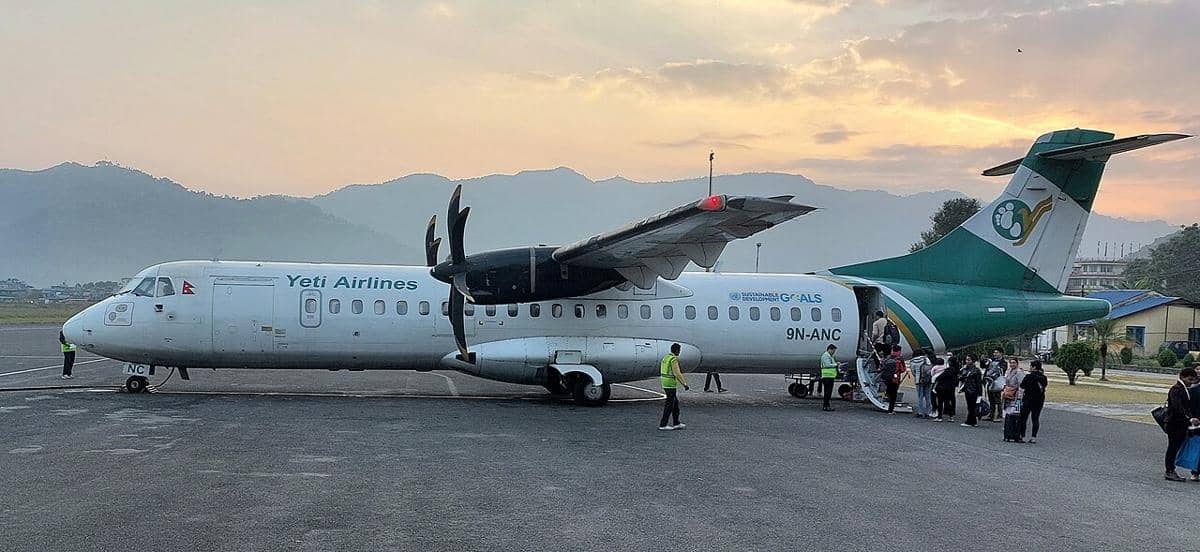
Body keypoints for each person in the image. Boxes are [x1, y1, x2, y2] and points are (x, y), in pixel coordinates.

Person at [1163, 367, 1199, 481]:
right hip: (1175, 423)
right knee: (1173, 448)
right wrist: (1190, 418)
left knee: (1175, 447)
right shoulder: (1176, 389)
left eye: (1193, 380)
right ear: (1182, 377)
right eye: (1189, 379)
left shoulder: (1183, 389)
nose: (1191, 382)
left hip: (1179, 424)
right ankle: (1169, 470)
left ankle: (1170, 470)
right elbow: (1177, 406)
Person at [659, 343, 690, 431]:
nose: (679, 352)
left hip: (665, 382)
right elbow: (677, 373)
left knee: (675, 403)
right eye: (679, 350)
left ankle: (676, 422)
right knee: (669, 404)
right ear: (676, 350)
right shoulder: (673, 359)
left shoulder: (666, 357)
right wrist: (684, 384)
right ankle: (663, 424)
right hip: (670, 384)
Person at [1019, 360, 1048, 443]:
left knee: (1023, 418)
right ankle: (1033, 437)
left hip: (1028, 399)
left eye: (1031, 366)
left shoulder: (1029, 376)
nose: (1030, 367)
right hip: (1039, 400)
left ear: (1034, 367)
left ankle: (1023, 436)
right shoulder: (1043, 377)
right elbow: (1045, 386)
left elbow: (1022, 385)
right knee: (1035, 418)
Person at [1002, 359, 1027, 443]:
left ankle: (1016, 434)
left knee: (1016, 414)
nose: (1012, 364)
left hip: (1017, 397)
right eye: (1011, 363)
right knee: (1008, 413)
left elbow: (1022, 385)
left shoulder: (1019, 373)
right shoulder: (1009, 372)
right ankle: (1008, 431)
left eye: (1014, 363)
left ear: (1017, 363)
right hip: (1009, 395)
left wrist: (1020, 397)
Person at [959, 354, 983, 427]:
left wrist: (980, 392)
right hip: (967, 389)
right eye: (966, 360)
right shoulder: (965, 369)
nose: (967, 361)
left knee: (972, 406)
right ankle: (973, 421)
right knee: (970, 406)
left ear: (973, 361)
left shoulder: (976, 370)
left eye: (969, 360)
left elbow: (979, 382)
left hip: (973, 390)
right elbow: (961, 377)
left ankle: (970, 421)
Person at [883, 345, 907, 414]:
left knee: (889, 392)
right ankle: (890, 410)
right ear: (899, 351)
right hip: (895, 379)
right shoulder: (899, 359)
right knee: (894, 395)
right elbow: (903, 369)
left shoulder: (888, 357)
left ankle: (886, 402)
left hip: (887, 378)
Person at [909, 349, 933, 418]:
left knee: (920, 397)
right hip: (927, 380)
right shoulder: (926, 359)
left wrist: (917, 376)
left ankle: (920, 412)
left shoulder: (912, 361)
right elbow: (929, 369)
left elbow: (913, 372)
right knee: (928, 396)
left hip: (918, 381)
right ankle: (928, 413)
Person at [934, 355, 958, 422]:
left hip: (942, 387)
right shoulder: (956, 370)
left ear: (950, 362)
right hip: (950, 388)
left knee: (940, 402)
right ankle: (951, 417)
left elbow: (939, 377)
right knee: (947, 402)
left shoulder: (948, 370)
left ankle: (939, 417)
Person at [984, 348, 1006, 422]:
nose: (995, 354)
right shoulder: (991, 360)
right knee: (991, 399)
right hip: (989, 381)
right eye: (994, 352)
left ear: (1001, 353)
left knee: (997, 399)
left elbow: (1002, 371)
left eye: (996, 352)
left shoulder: (1003, 362)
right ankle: (991, 414)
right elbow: (985, 367)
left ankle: (999, 415)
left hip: (997, 382)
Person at [819, 344, 840, 411]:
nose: (834, 352)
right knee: (827, 392)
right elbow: (827, 365)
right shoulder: (826, 356)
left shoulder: (830, 356)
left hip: (830, 376)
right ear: (830, 349)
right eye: (833, 350)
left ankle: (827, 405)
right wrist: (836, 364)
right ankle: (826, 406)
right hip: (827, 376)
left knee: (828, 392)